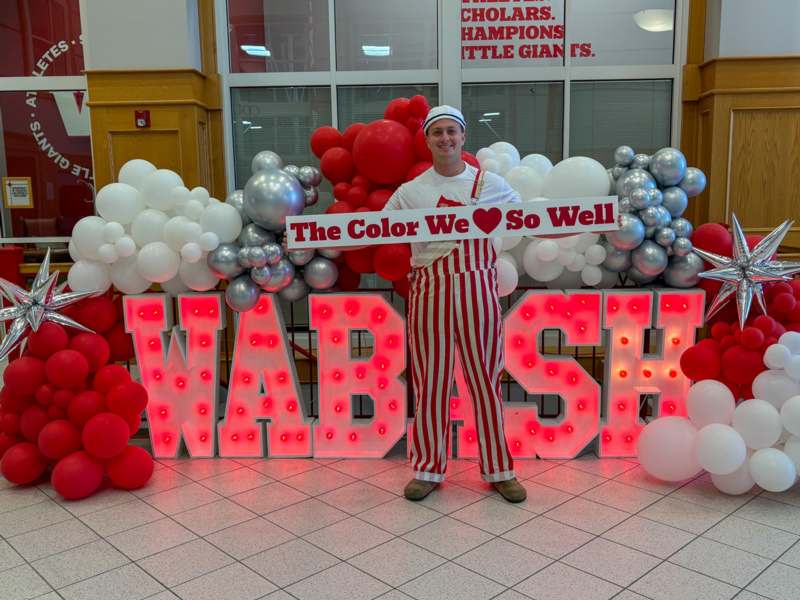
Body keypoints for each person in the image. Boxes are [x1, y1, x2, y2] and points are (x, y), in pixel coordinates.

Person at [383, 105, 527, 503]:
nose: (445, 139)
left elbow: (525, 218)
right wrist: (314, 236)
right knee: (430, 383)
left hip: (479, 292)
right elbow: (379, 227)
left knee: (485, 381)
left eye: (452, 132)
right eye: (437, 133)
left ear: (463, 137)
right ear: (427, 140)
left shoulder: (491, 183)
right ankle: (427, 468)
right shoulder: (412, 191)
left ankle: (500, 469)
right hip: (429, 293)